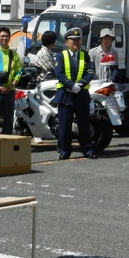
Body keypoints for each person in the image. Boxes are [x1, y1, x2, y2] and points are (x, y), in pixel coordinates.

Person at [54, 28, 96, 160]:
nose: (76, 43)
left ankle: (88, 150)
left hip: (81, 95)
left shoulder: (85, 55)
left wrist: (80, 85)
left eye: (78, 40)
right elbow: (59, 73)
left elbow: (90, 73)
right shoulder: (61, 55)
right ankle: (64, 151)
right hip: (66, 96)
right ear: (67, 42)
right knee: (65, 126)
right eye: (73, 40)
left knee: (84, 125)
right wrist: (71, 85)